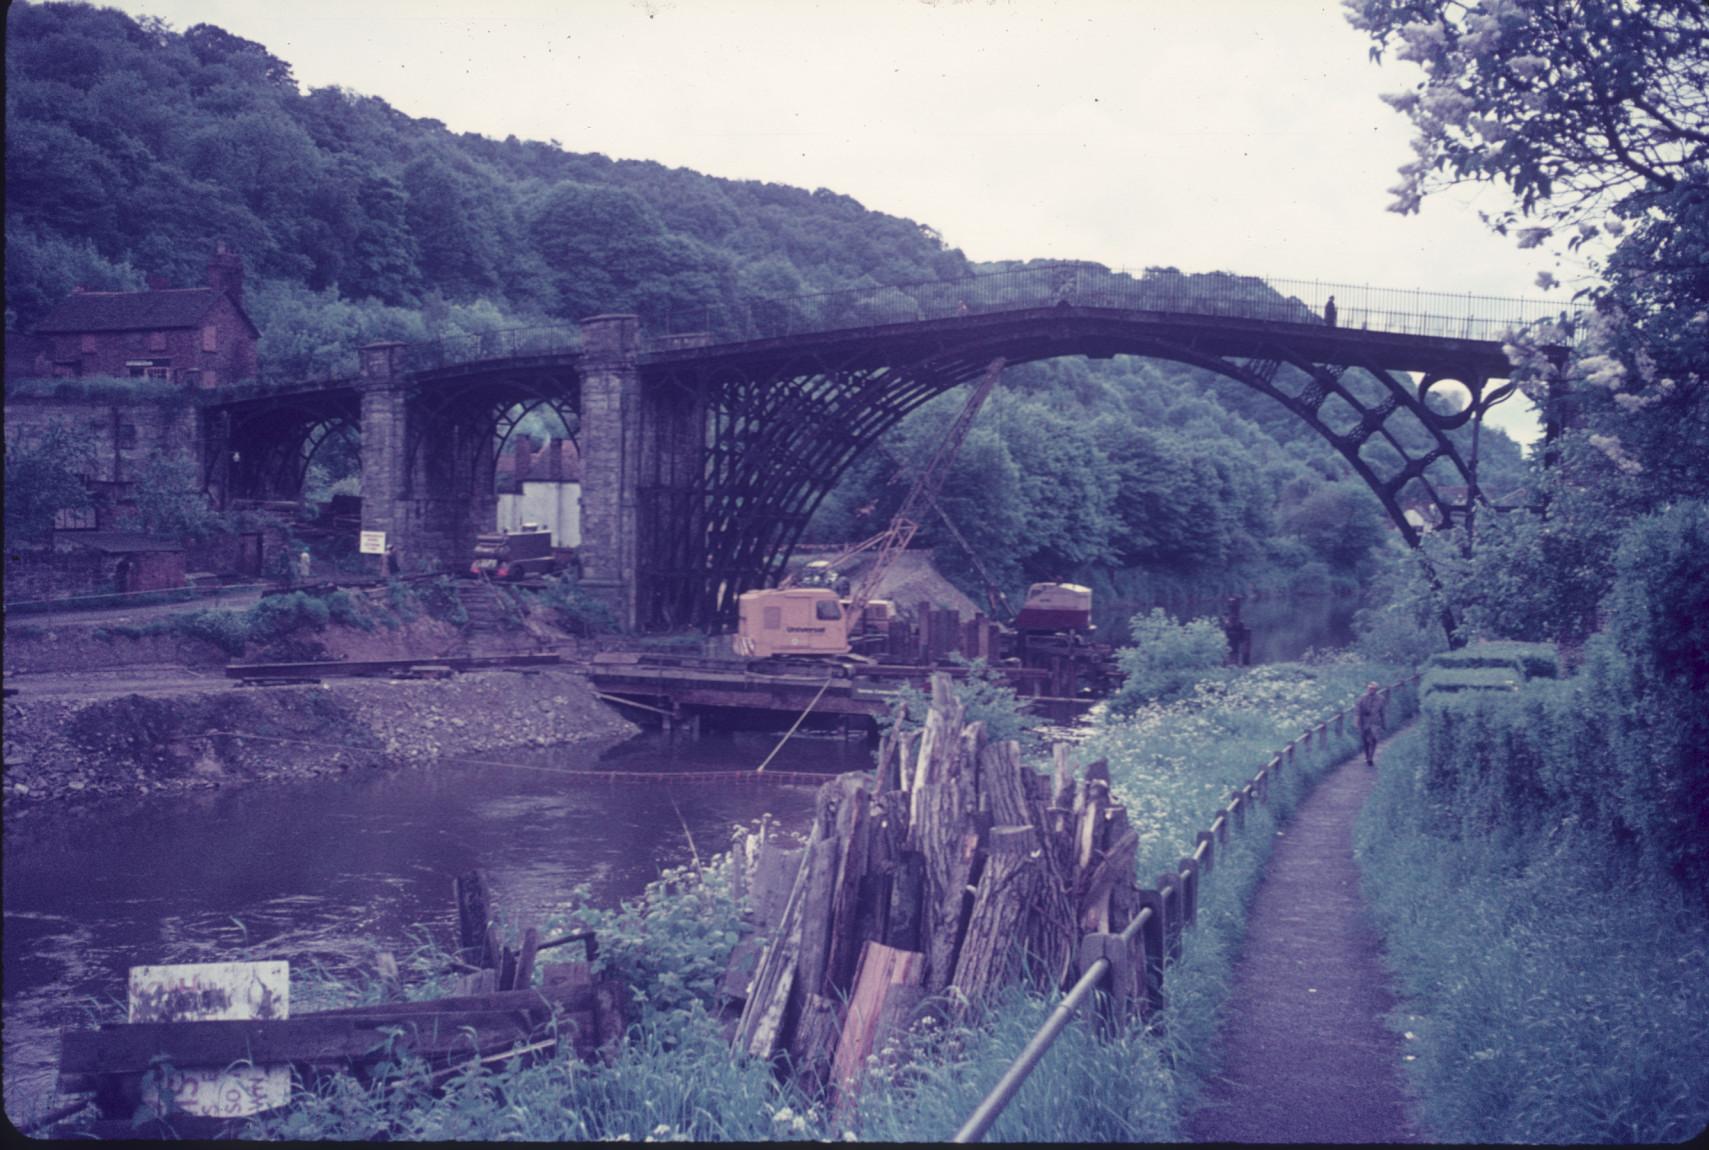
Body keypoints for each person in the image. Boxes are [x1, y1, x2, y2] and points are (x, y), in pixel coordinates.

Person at [1355, 682, 1386, 767]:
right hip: (1364, 722)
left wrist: (1383, 723)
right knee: (1365, 741)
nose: (1370, 690)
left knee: (1374, 739)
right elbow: (1357, 710)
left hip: (1375, 722)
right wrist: (1357, 721)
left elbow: (1382, 712)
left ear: (1376, 690)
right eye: (1369, 688)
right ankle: (1367, 756)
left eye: (1373, 689)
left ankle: (1370, 758)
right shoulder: (1362, 698)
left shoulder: (1381, 699)